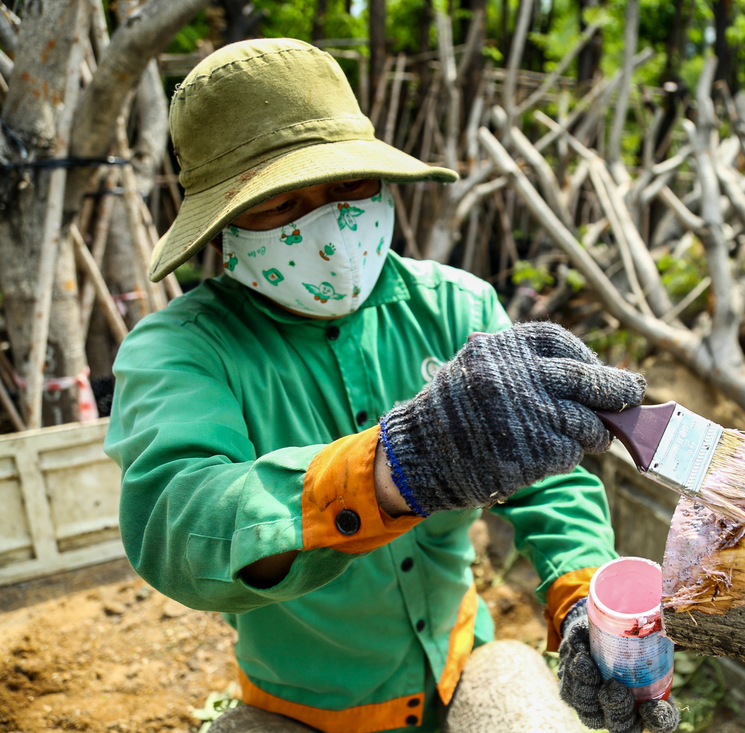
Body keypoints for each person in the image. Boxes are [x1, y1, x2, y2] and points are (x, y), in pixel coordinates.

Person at [104, 38, 679, 733]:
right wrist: (390, 469)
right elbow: (178, 520)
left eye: (348, 185)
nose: (327, 225)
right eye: (281, 203)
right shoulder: (180, 351)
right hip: (299, 710)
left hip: (465, 665)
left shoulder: (458, 308)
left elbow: (551, 480)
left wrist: (582, 596)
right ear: (224, 223)